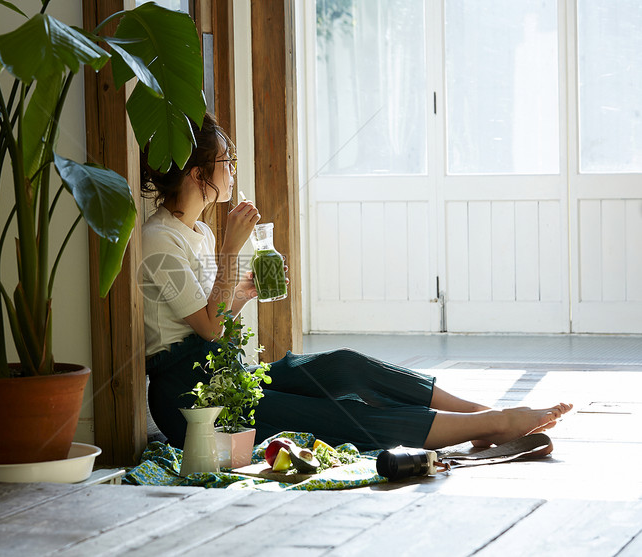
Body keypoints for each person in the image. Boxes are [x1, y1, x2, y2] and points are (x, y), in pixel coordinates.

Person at [140, 112, 572, 452]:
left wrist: (241, 294)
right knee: (336, 413)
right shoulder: (159, 239)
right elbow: (209, 330)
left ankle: (480, 413)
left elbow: (213, 317)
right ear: (199, 175)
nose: (232, 171)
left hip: (226, 373)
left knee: (345, 364)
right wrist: (231, 253)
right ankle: (492, 424)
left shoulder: (199, 232)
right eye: (225, 163)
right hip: (191, 398)